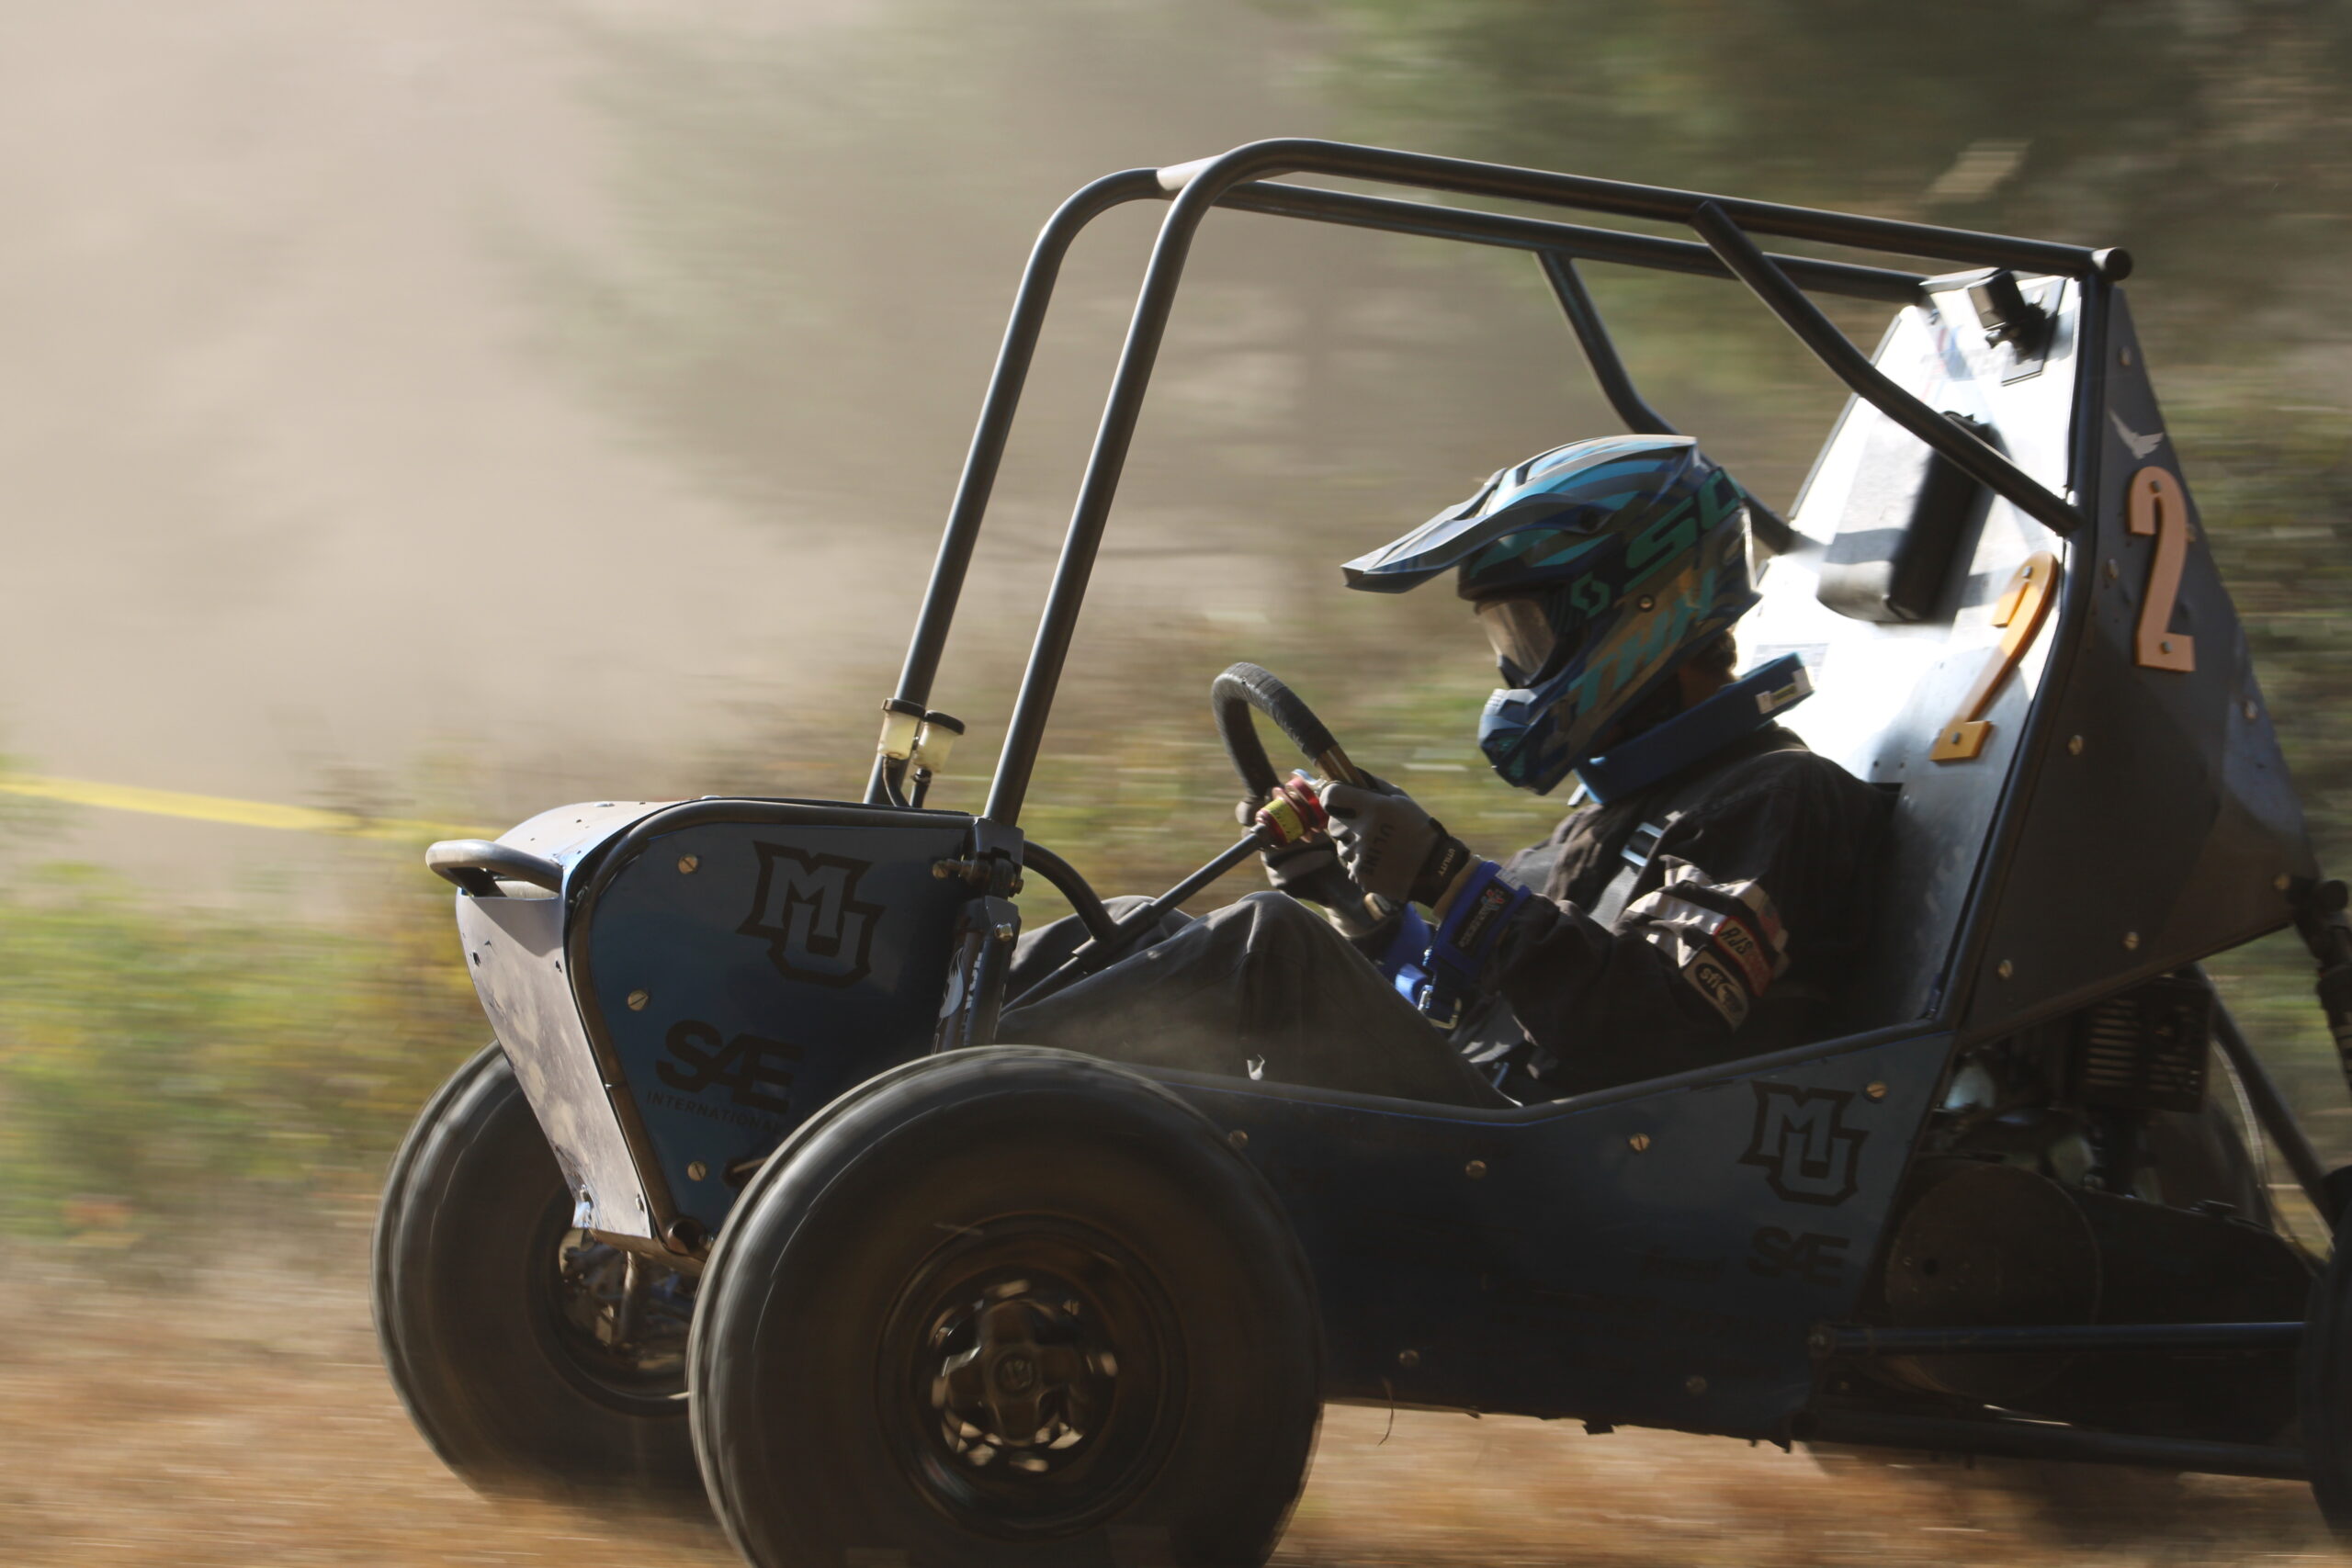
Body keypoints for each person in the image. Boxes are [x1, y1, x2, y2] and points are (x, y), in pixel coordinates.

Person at [996, 434, 1887, 1106]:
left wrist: (1447, 876)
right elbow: (1478, 1002)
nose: (1513, 671)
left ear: (1649, 610)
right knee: (1127, 927)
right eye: (1506, 641)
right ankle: (926, 1045)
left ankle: (960, 1102)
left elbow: (1655, 1036)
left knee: (1265, 948)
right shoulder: (1606, 817)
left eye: (1530, 637)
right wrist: (1362, 911)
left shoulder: (1776, 798)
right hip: (1494, 1127)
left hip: (1577, 1177)